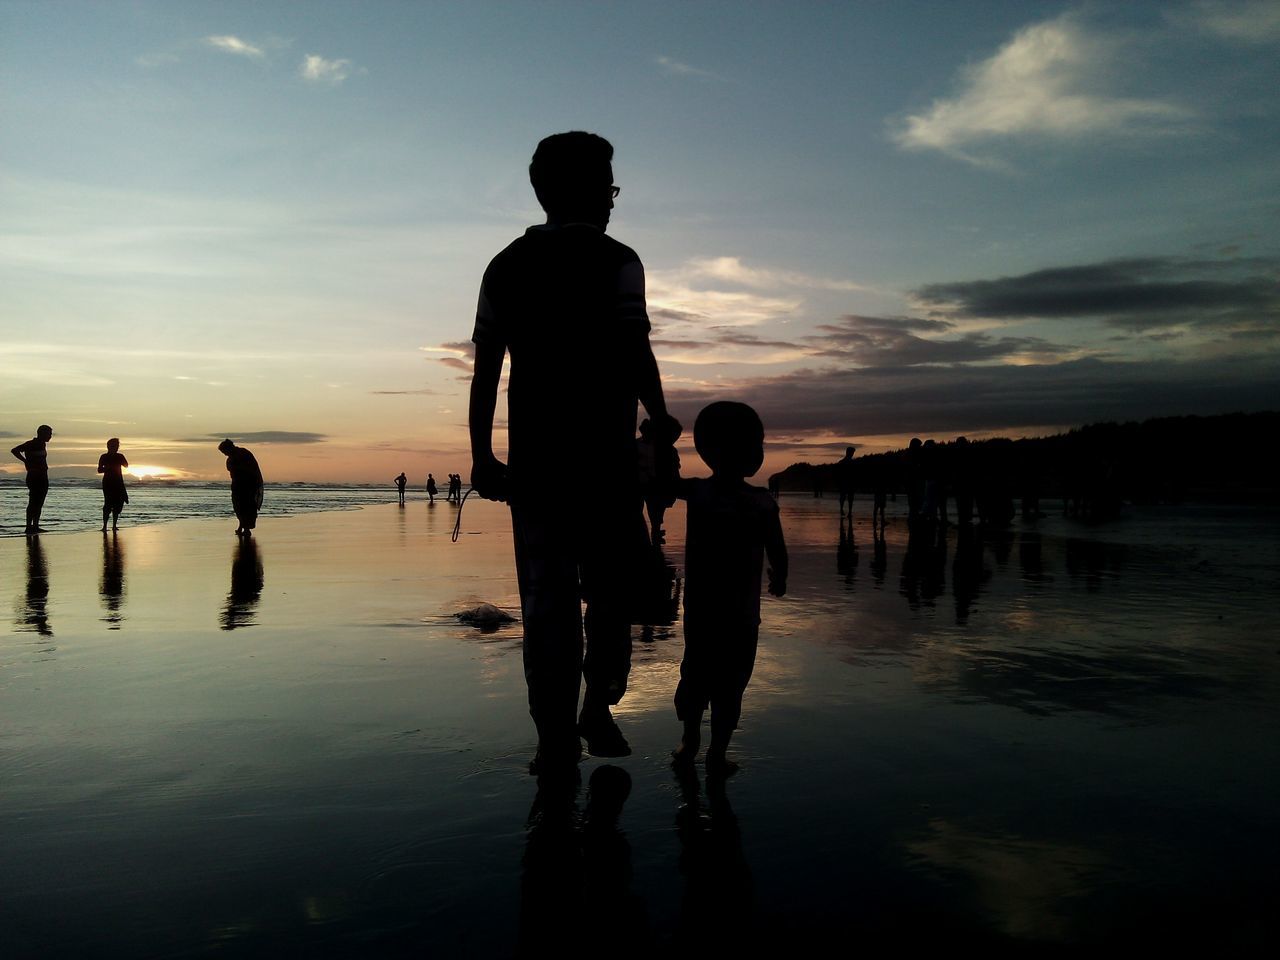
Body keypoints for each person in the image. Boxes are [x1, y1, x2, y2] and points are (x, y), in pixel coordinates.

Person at [469, 130, 679, 773]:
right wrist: (660, 415)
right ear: (581, 189)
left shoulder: (505, 265)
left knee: (546, 604)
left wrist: (482, 457)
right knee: (612, 597)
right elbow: (634, 348)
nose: (613, 200)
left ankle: (551, 735)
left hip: (535, 467)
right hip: (606, 467)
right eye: (607, 186)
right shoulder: (618, 259)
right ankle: (597, 704)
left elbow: (487, 373)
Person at [672, 402, 787, 776]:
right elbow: (778, 552)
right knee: (711, 680)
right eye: (756, 445)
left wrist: (779, 574)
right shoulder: (748, 501)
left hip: (727, 614)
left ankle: (710, 748)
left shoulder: (743, 500)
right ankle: (701, 743)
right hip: (723, 614)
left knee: (720, 681)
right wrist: (780, 575)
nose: (758, 452)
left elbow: (777, 550)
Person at [11, 424, 53, 535]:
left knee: (39, 502)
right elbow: (14, 450)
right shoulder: (31, 443)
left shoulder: (42, 444)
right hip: (34, 476)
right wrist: (25, 461)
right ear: (42, 433)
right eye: (49, 434)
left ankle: (35, 526)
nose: (50, 436)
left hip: (43, 475)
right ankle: (29, 526)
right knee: (33, 501)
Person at [217, 439, 263, 536]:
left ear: (229, 447)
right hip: (237, 485)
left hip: (247, 485)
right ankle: (241, 526)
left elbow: (251, 469)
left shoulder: (243, 453)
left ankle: (246, 529)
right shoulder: (233, 457)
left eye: (224, 451)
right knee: (238, 506)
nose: (224, 454)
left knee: (246, 506)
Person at [98, 438, 129, 531]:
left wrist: (120, 461)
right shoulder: (104, 456)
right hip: (108, 483)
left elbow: (126, 465)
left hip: (118, 482)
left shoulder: (120, 456)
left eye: (117, 446)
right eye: (114, 446)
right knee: (107, 503)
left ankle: (114, 525)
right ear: (108, 446)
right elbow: (99, 470)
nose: (116, 448)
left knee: (118, 503)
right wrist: (107, 468)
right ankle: (104, 526)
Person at [836, 445, 856, 518]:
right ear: (848, 453)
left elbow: (837, 474)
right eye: (852, 453)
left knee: (844, 497)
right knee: (847, 498)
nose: (852, 454)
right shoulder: (849, 462)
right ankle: (848, 512)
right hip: (847, 482)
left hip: (846, 482)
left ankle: (844, 510)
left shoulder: (842, 462)